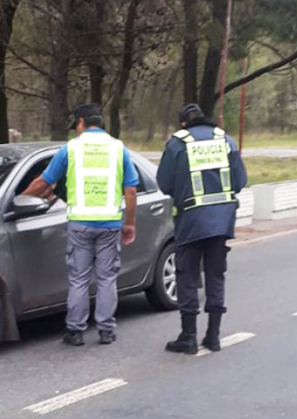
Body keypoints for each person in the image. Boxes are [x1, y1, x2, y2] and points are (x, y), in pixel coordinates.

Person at [23, 104, 138, 345]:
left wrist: (22, 196)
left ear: (81, 123)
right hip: (109, 224)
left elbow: (45, 181)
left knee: (79, 278)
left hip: (81, 225)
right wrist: (129, 224)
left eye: (76, 125)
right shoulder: (118, 148)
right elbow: (130, 190)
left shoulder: (71, 148)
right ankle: (106, 330)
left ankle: (75, 331)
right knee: (107, 278)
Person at [157, 103, 247, 355]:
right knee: (216, 274)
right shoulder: (225, 140)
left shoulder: (177, 142)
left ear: (184, 123)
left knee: (186, 275)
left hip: (191, 220)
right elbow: (240, 181)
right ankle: (214, 336)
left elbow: (164, 183)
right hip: (222, 221)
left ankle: (188, 336)